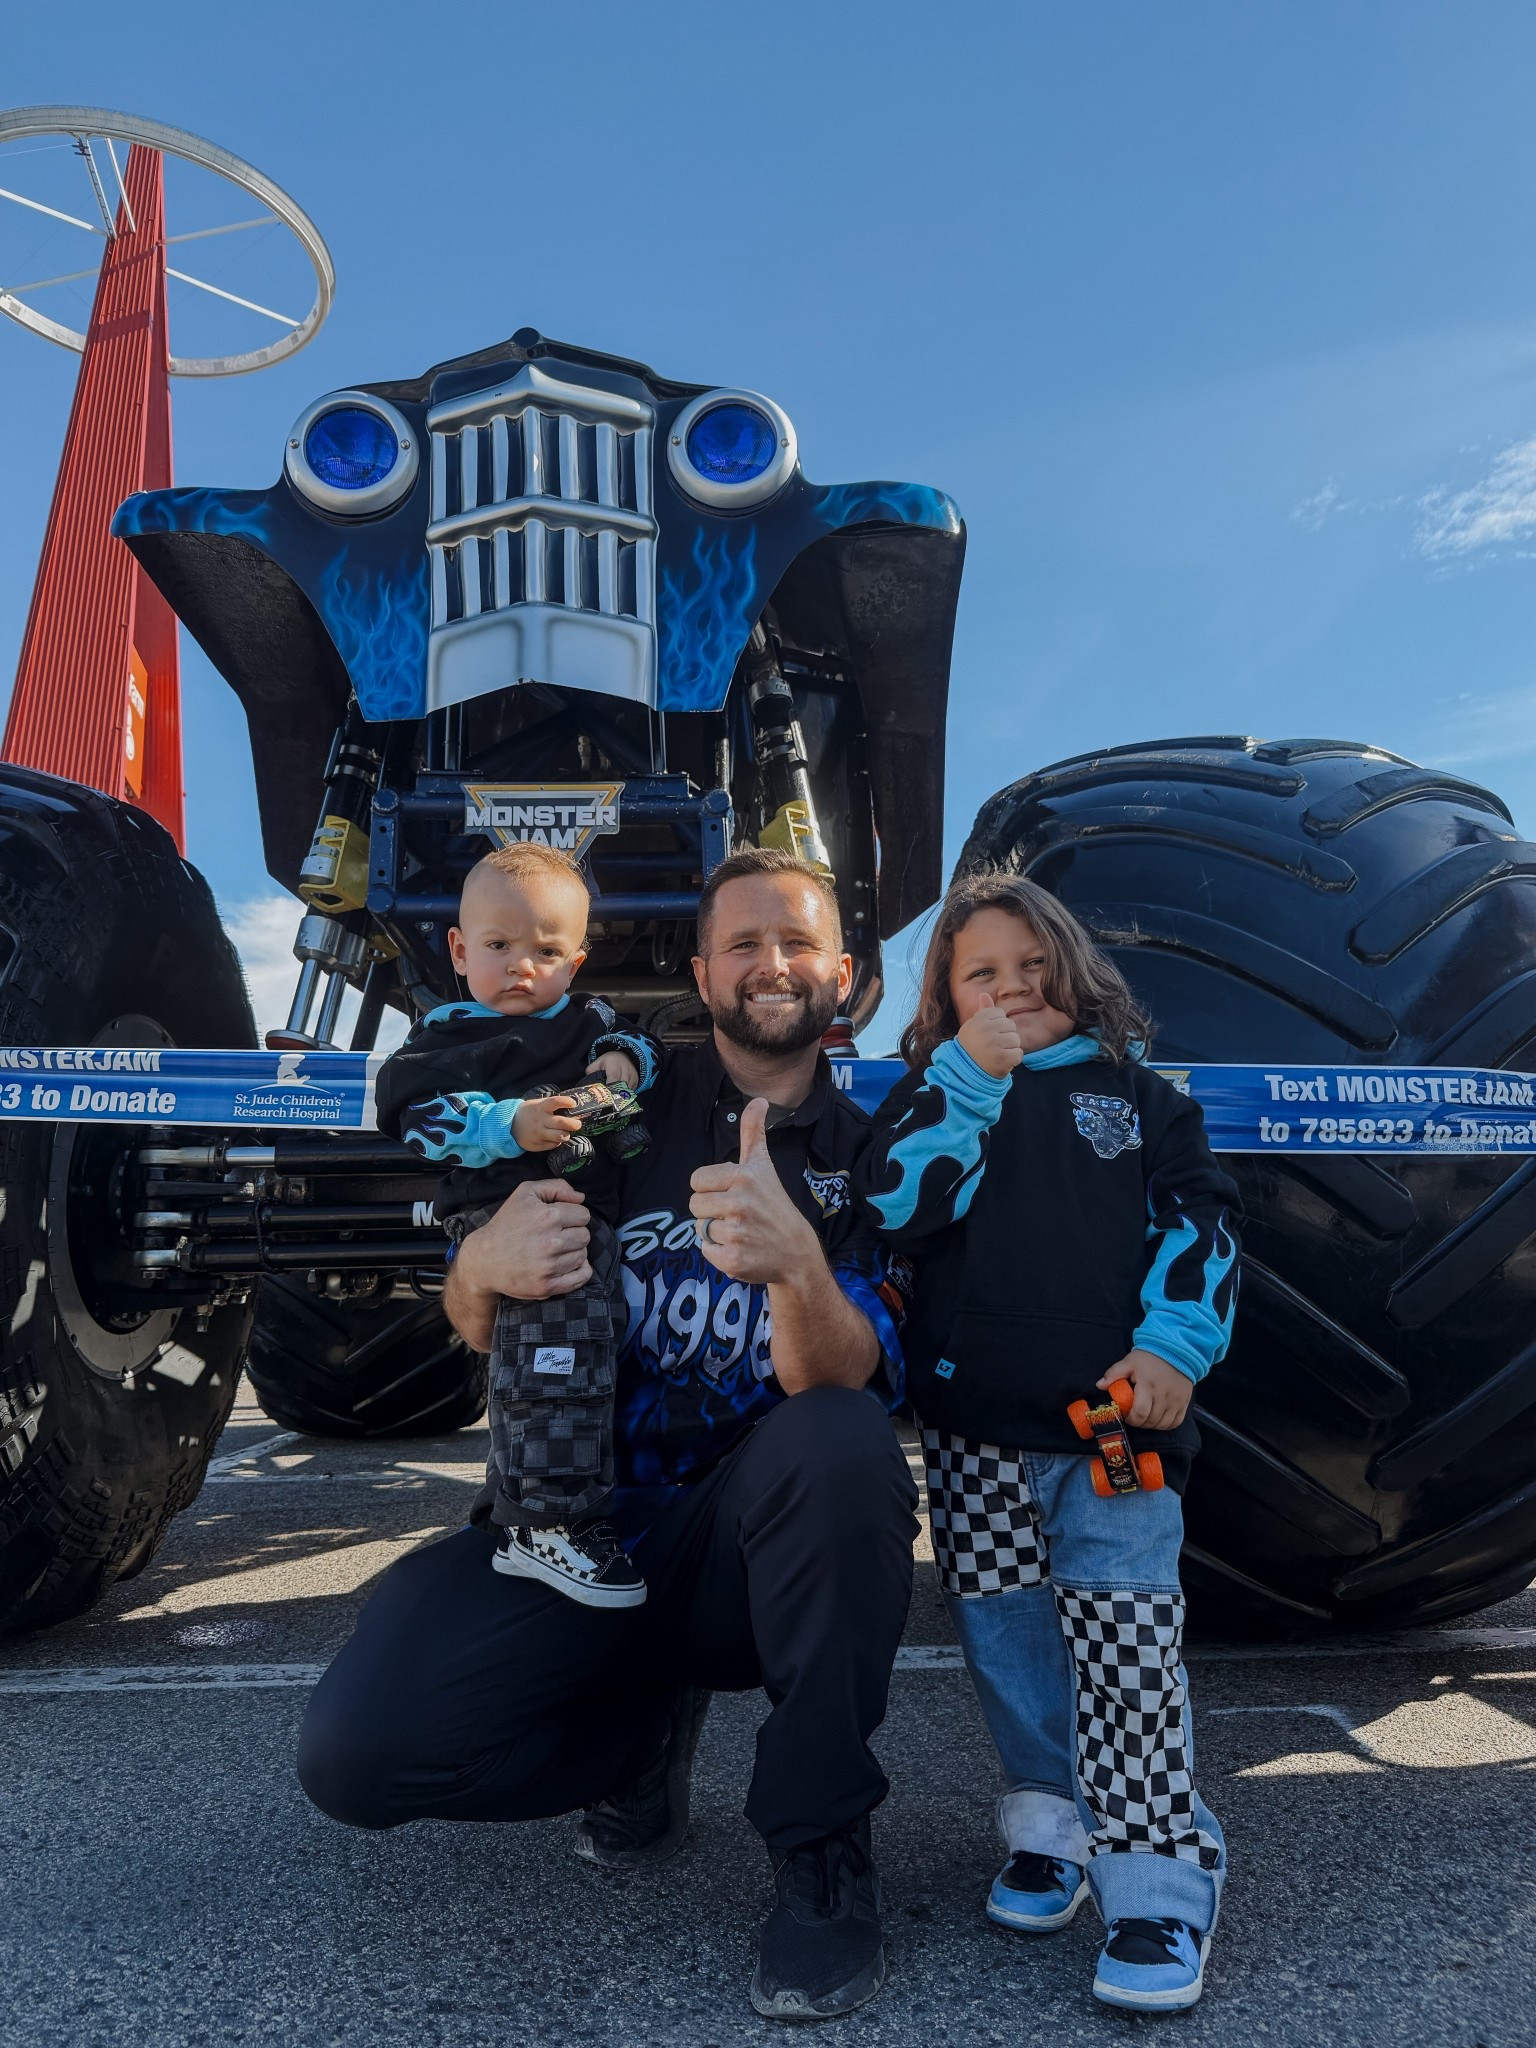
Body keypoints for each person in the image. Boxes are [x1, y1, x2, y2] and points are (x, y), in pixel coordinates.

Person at [298, 847, 917, 2024]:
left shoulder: (881, 1148)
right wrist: (473, 1267)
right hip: (575, 1536)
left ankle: (823, 1851)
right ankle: (634, 1736)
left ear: (843, 970)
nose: (771, 964)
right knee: (357, 1754)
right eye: (742, 942)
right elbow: (479, 1301)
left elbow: (848, 1373)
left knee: (840, 1441)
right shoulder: (617, 1100)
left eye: (796, 942)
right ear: (699, 969)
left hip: (748, 1552)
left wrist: (797, 1270)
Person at [855, 872, 1240, 2014]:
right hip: (975, 1441)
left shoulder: (1141, 1098)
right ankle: (1052, 1824)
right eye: (984, 972)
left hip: (1115, 1433)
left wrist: (1173, 1347)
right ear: (945, 997)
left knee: (1126, 1650)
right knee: (1010, 1649)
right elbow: (897, 1210)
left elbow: (1203, 1222)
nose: (1016, 988)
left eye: (1036, 966)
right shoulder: (941, 1091)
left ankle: (1159, 1878)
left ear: (1078, 973)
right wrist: (969, 1076)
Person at [374, 842, 660, 1607]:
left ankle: (515, 1502)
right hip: (504, 1216)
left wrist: (621, 1072)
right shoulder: (444, 1037)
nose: (521, 967)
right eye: (499, 947)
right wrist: (510, 1125)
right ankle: (547, 1522)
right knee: (556, 1354)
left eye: (546, 951)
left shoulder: (586, 1021)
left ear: (576, 961)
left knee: (568, 1355)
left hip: (585, 1211)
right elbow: (413, 1118)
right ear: (461, 951)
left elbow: (638, 1043)